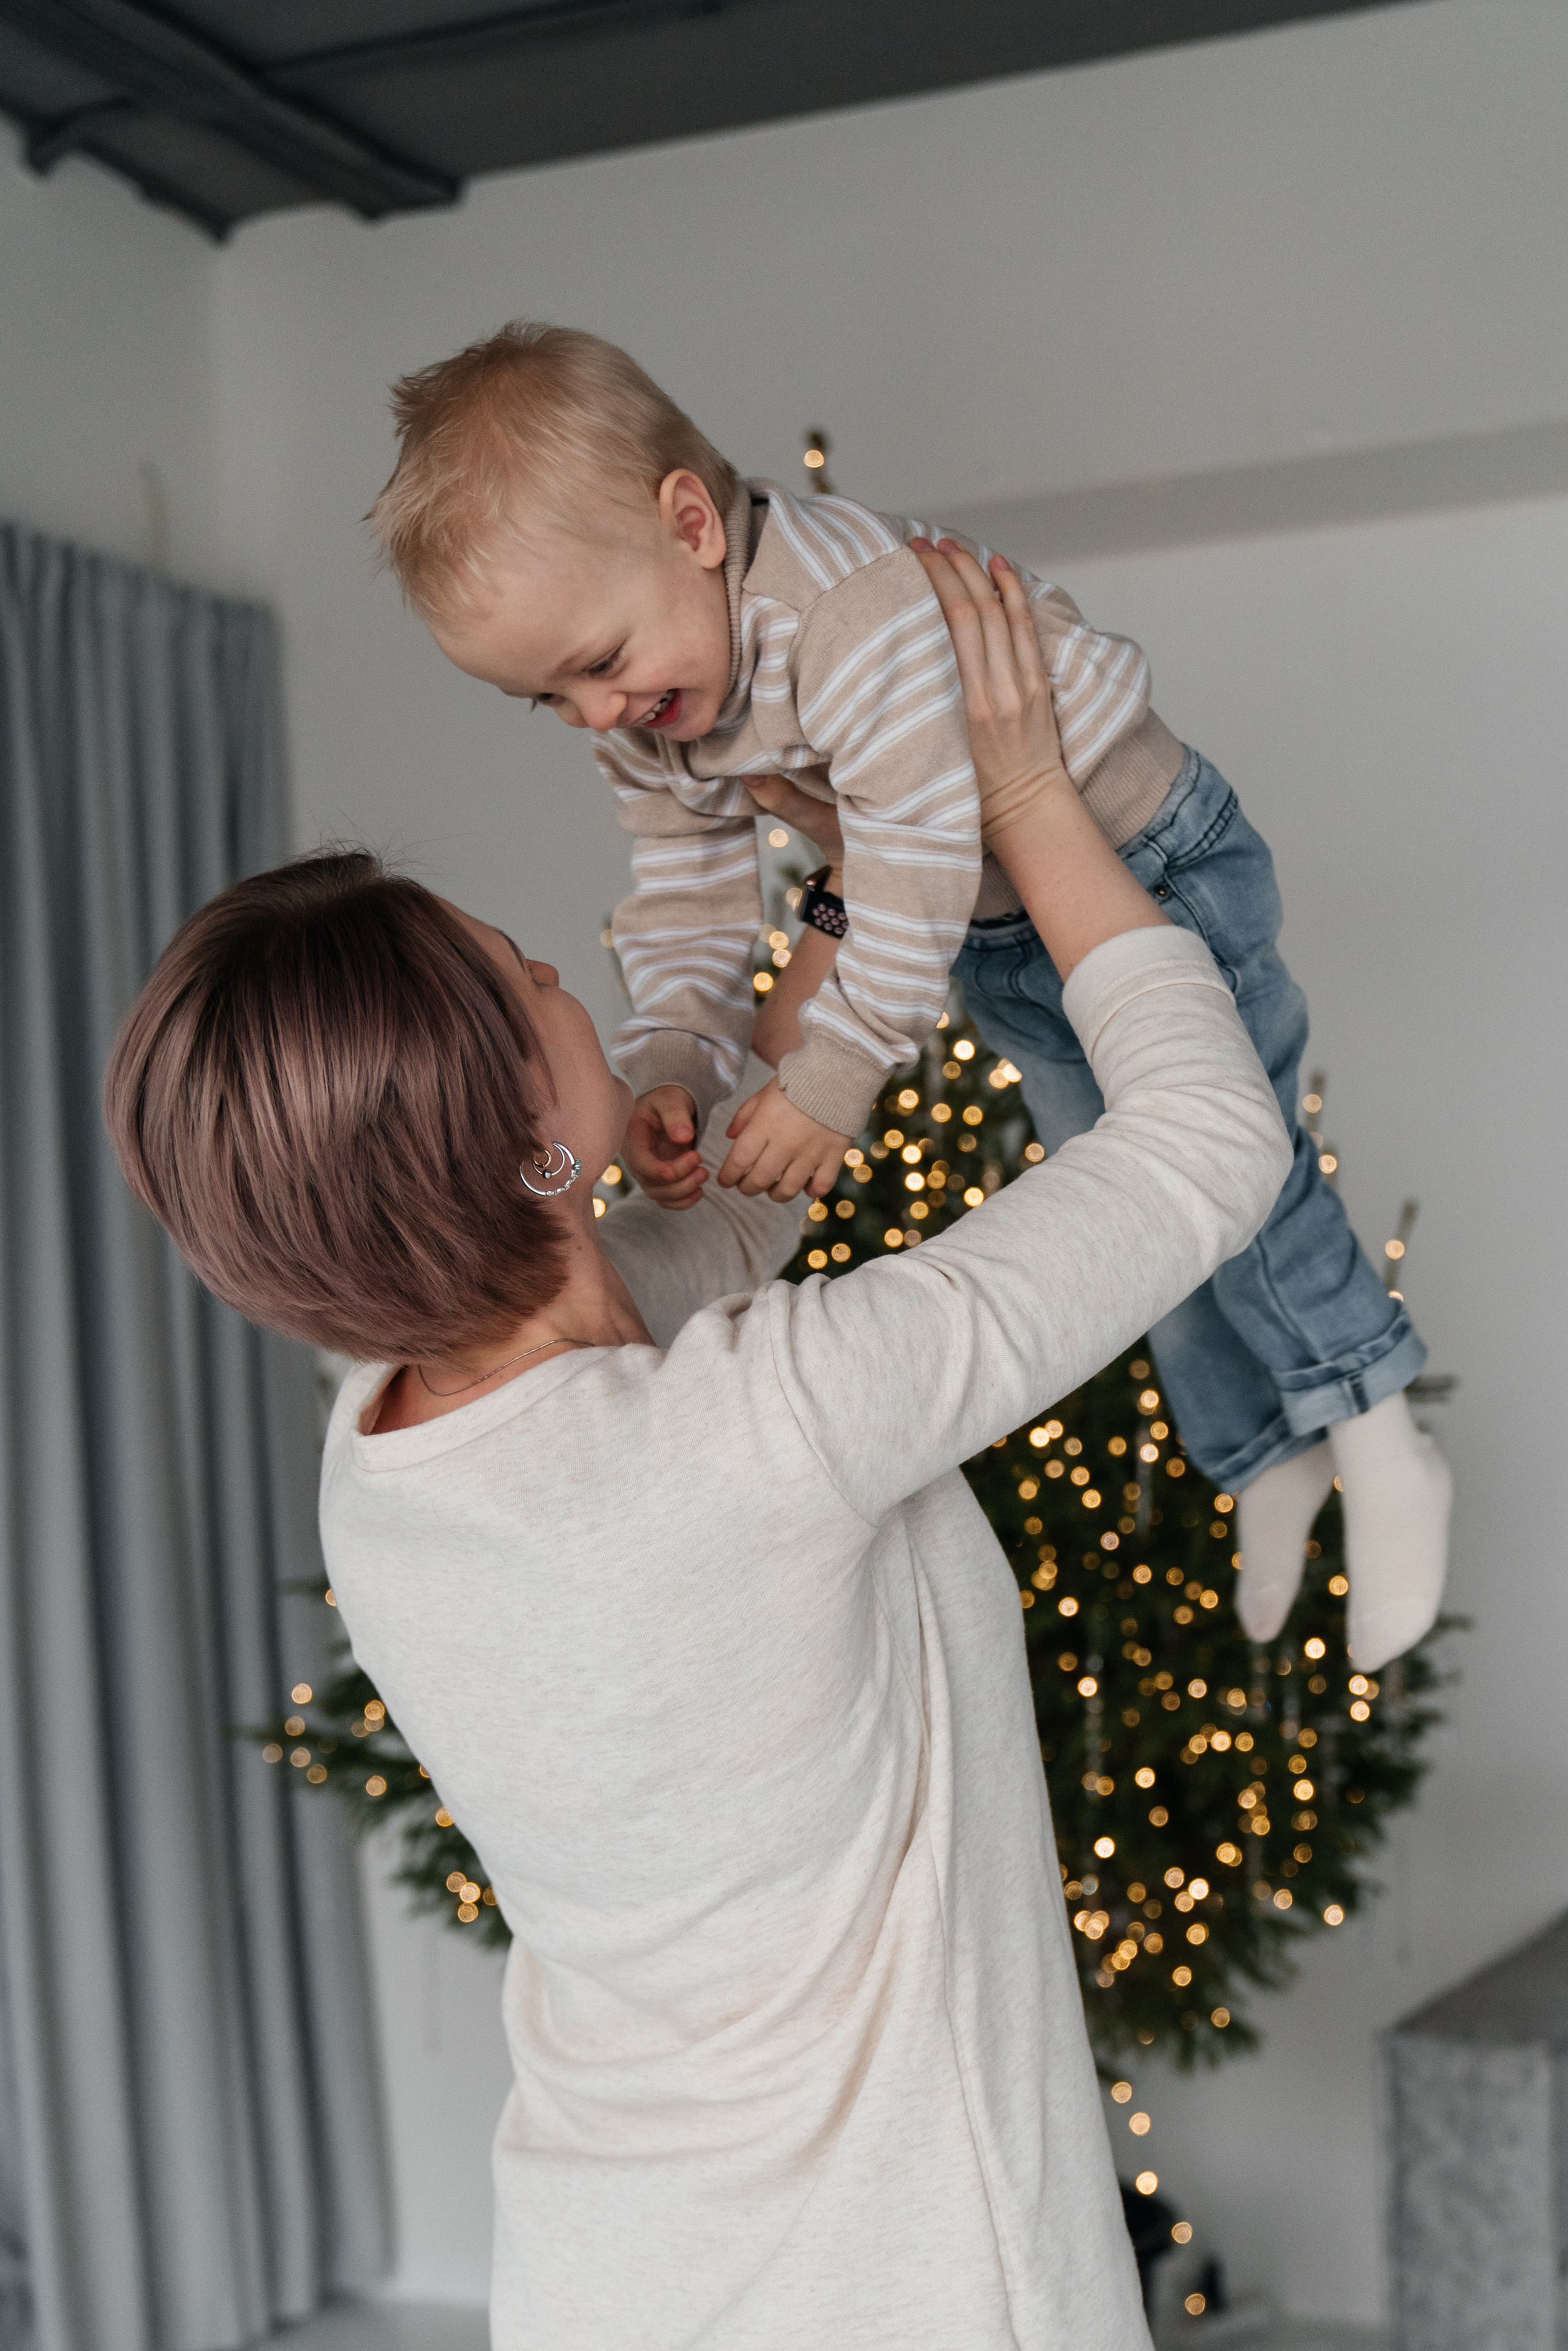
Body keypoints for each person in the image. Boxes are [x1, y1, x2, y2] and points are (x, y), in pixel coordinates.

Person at [105, 547, 1289, 2351]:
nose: (561, 970)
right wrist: (1028, 793)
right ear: (518, 1150)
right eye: (527, 981)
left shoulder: (395, 1451)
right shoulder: (762, 1419)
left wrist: (853, 893)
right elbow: (1212, 1143)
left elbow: (708, 1232)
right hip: (910, 2280)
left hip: (615, 2268)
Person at [365, 321, 1450, 1673]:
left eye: (596, 662)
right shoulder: (660, 705)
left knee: (1246, 1169)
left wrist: (832, 1072)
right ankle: (1260, 1448)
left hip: (1143, 860)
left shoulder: (844, 614)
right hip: (997, 923)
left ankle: (1375, 1416)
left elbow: (919, 843)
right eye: (548, 700)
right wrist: (674, 1067)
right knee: (1117, 1186)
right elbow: (689, 892)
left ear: (689, 523)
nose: (593, 714)